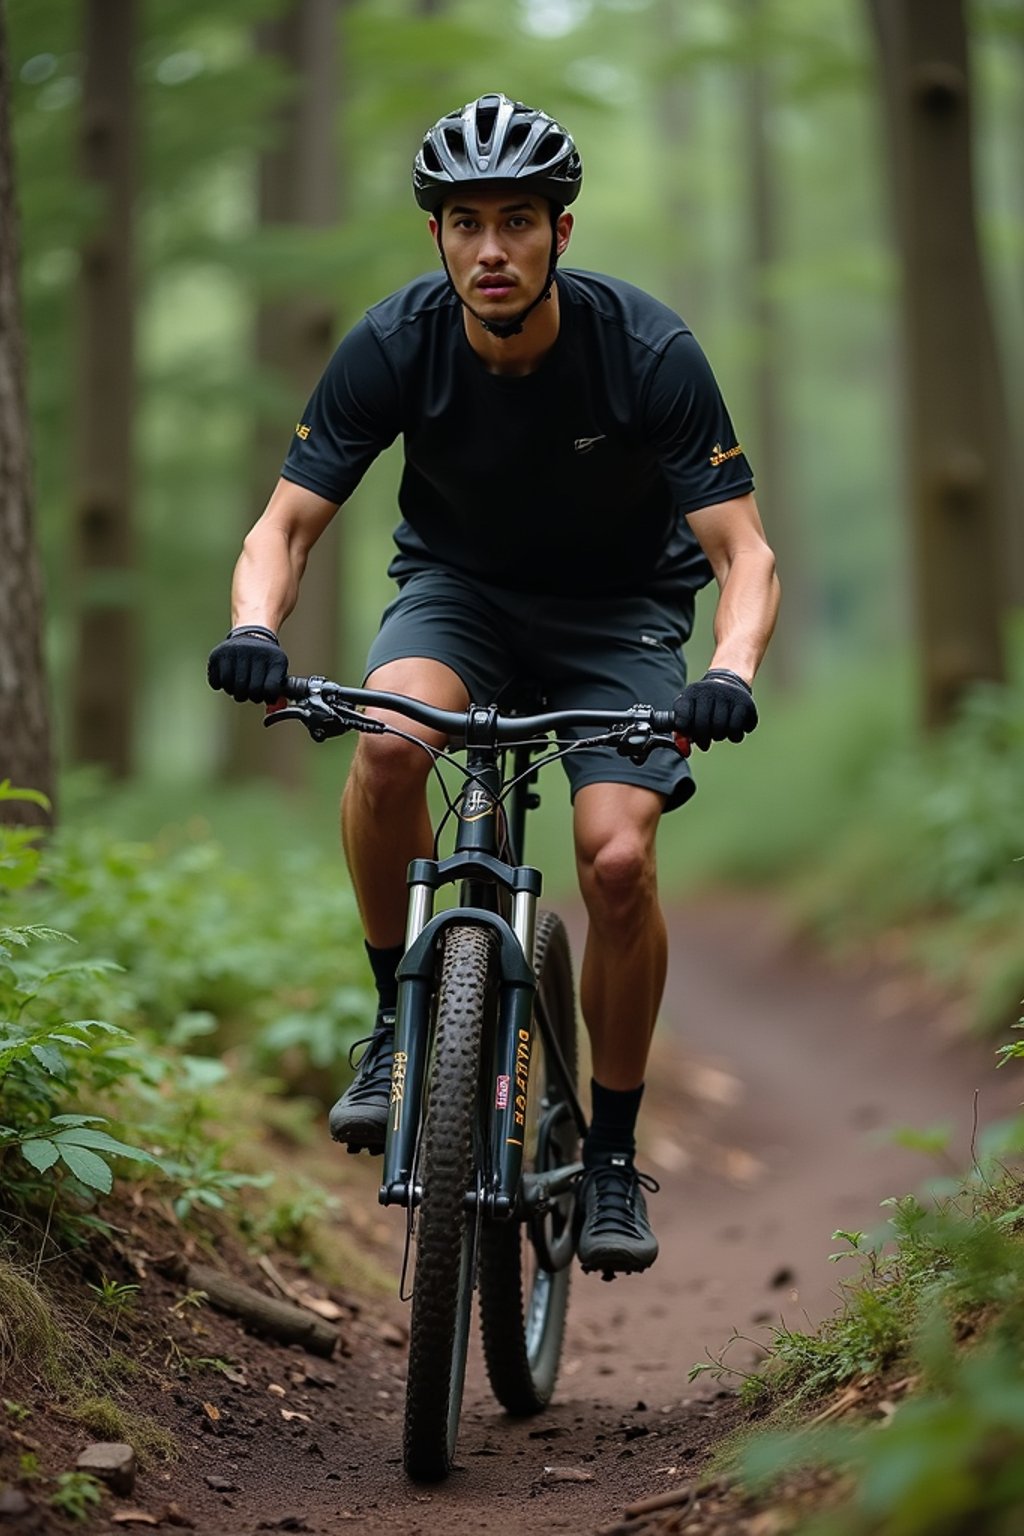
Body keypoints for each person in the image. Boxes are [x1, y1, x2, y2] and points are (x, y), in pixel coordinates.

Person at [208, 93, 779, 1279]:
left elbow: (744, 553)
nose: (491, 250)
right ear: (437, 238)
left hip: (618, 616)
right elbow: (285, 525)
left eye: (517, 221)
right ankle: (392, 1026)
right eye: (465, 223)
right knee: (382, 747)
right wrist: (255, 627)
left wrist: (726, 669)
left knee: (617, 860)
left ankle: (612, 1158)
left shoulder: (646, 352)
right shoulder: (392, 343)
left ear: (560, 233)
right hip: (456, 594)